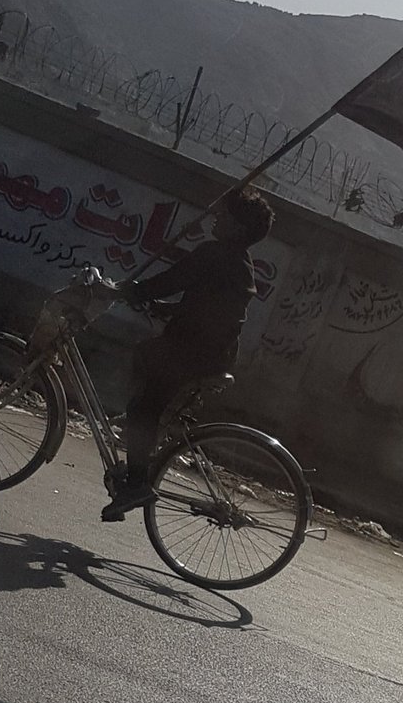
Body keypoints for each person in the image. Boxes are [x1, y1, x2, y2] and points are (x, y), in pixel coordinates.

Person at [101, 187, 275, 521]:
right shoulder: (239, 261)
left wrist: (129, 290)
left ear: (238, 228)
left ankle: (137, 482)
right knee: (145, 367)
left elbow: (172, 280)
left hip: (192, 352)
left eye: (224, 215)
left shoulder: (216, 253)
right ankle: (146, 436)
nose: (216, 218)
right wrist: (161, 306)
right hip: (208, 351)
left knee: (143, 404)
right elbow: (206, 305)